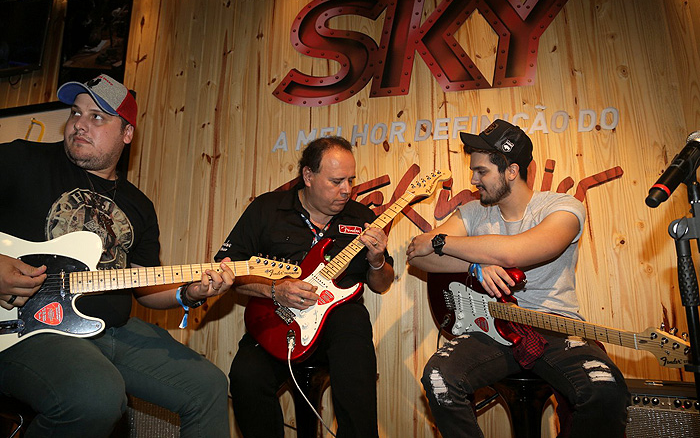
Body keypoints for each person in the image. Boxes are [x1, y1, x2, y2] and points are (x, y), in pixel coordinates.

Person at [0, 74, 233, 437]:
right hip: (26, 327)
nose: (79, 124)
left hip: (112, 331)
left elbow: (143, 283)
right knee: (95, 395)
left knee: (209, 386)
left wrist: (188, 293)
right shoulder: (21, 159)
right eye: (76, 112)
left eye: (97, 117)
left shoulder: (138, 205)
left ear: (127, 133)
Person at [406, 119, 629, 437]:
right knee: (439, 376)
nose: (473, 179)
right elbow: (420, 256)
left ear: (511, 170)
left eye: (481, 171)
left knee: (604, 389)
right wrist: (474, 267)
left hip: (555, 327)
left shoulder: (563, 208)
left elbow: (515, 253)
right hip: (491, 330)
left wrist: (445, 242)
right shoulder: (472, 213)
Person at [215, 136, 394, 438]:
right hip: (276, 324)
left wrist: (377, 260)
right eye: (337, 180)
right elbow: (228, 269)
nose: (347, 189)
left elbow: (381, 284)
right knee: (246, 376)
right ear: (308, 176)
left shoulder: (361, 217)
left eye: (351, 179)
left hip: (337, 334)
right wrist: (274, 290)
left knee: (354, 320)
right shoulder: (267, 209)